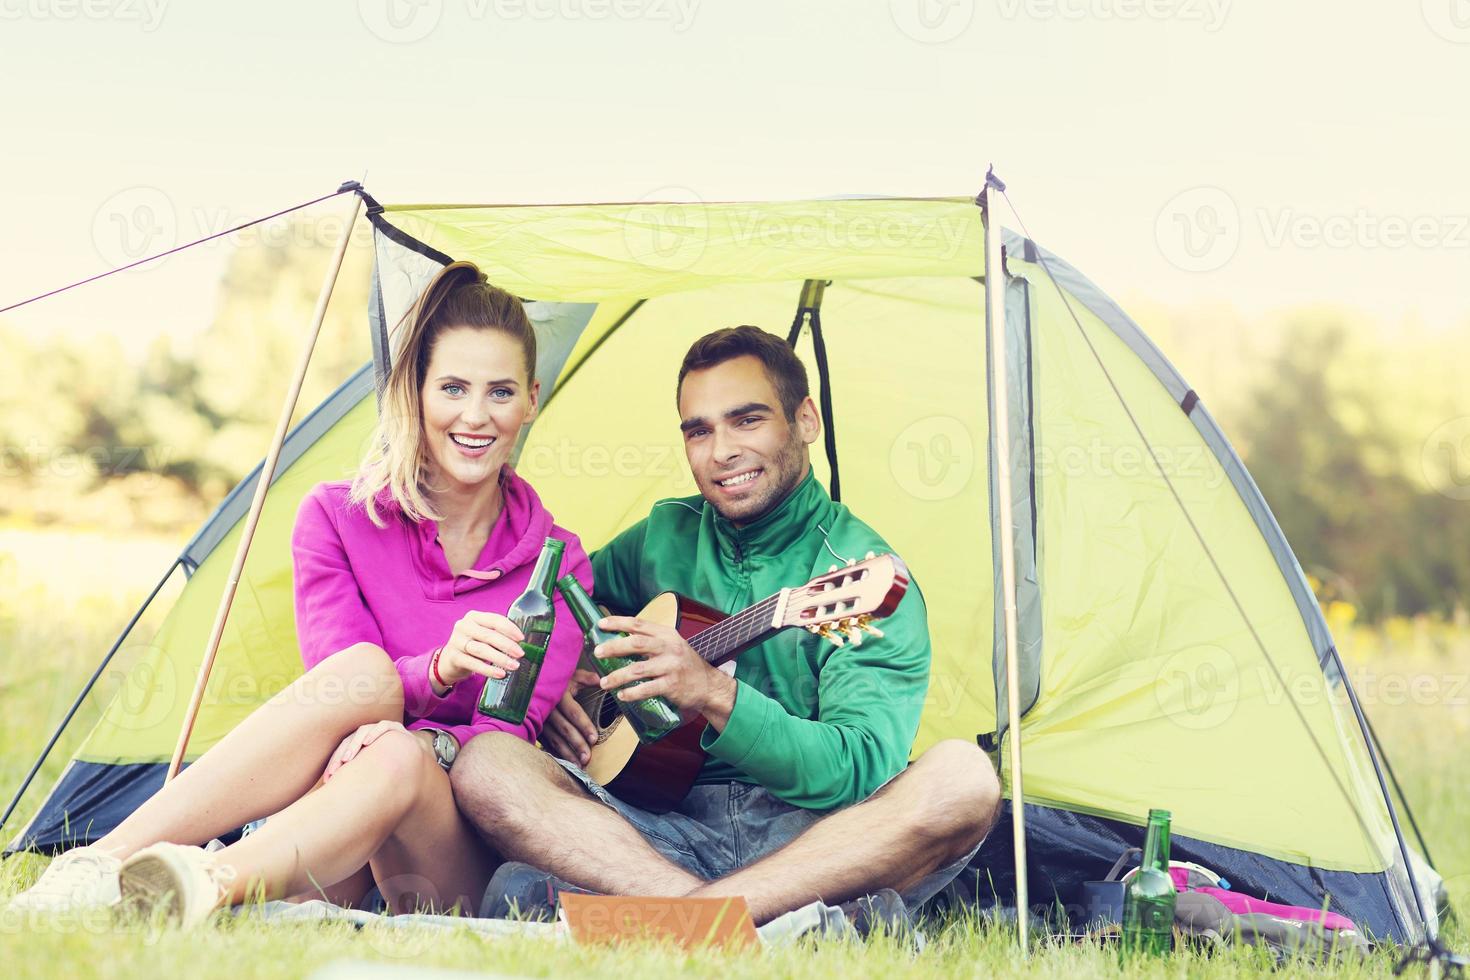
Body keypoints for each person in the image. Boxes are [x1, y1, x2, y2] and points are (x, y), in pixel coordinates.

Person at [6, 262, 591, 926]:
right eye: (453, 387)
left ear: (533, 399)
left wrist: (422, 728)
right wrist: (435, 673)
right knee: (368, 687)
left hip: (445, 851)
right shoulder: (336, 518)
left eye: (501, 392)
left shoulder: (558, 565)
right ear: (416, 392)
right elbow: (342, 684)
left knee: (398, 750)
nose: (476, 416)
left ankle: (205, 875)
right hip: (339, 815)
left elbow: (503, 744)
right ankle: (106, 868)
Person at [450, 325, 1000, 928]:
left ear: (806, 421)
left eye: (747, 421)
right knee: (488, 763)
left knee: (963, 779)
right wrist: (556, 686)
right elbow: (553, 604)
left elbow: (858, 772)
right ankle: (735, 920)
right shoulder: (663, 535)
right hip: (652, 832)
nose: (721, 452)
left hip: (809, 847)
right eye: (699, 430)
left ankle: (682, 918)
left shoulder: (858, 577)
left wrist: (714, 693)